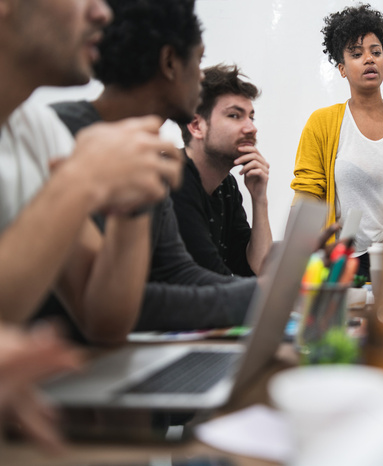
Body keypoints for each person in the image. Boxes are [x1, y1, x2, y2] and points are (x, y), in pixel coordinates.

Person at [0, 0, 183, 449]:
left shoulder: (36, 128)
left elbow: (104, 319)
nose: (103, 13)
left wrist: (131, 207)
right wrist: (82, 179)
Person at [42, 0, 257, 340]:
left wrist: (269, 294)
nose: (200, 78)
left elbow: (177, 270)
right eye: (198, 61)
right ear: (170, 62)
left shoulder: (149, 153)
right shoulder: (60, 133)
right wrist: (262, 297)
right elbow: (118, 302)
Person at [290, 4, 383, 284]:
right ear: (342, 69)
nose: (369, 59)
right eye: (356, 54)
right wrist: (300, 268)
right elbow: (306, 200)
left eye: (376, 52)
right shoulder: (322, 123)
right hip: (344, 270)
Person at [175, 64, 272, 276]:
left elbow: (259, 269)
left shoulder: (226, 185)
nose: (251, 128)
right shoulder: (173, 178)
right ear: (196, 125)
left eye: (251, 117)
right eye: (235, 116)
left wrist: (259, 198)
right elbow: (205, 276)